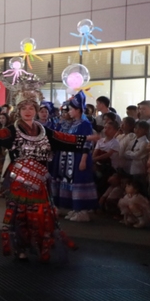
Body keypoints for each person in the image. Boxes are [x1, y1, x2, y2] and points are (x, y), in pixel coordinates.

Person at [0, 74, 98, 262]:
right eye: (24, 108)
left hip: (40, 183)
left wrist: (86, 139)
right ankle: (20, 247)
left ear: (37, 110)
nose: (28, 111)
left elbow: (64, 140)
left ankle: (38, 244)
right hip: (19, 182)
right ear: (18, 110)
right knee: (20, 216)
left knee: (40, 216)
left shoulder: (45, 131)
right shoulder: (13, 130)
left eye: (32, 108)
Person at [50, 91, 97, 223]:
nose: (69, 111)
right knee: (70, 181)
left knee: (79, 181)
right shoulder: (73, 123)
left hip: (79, 157)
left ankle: (82, 210)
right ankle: (75, 208)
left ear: (78, 110)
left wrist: (83, 160)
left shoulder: (85, 124)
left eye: (71, 109)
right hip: (70, 157)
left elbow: (86, 143)